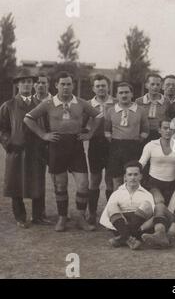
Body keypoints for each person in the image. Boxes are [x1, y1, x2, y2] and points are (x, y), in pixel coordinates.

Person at [24, 71, 103, 232]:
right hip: (57, 146)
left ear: (73, 85)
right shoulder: (48, 103)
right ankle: (62, 217)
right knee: (60, 185)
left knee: (83, 184)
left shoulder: (81, 103)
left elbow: (99, 116)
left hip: (76, 146)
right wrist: (43, 134)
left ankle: (80, 217)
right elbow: (28, 118)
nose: (66, 87)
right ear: (56, 85)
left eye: (68, 84)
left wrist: (89, 132)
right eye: (63, 84)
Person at [0, 69, 49, 227]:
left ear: (33, 84)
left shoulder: (41, 106)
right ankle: (20, 217)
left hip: (36, 151)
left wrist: (44, 145)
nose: (26, 85)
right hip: (17, 151)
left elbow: (46, 127)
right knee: (16, 183)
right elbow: (2, 129)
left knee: (38, 182)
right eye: (23, 82)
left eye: (29, 82)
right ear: (17, 85)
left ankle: (38, 216)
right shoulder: (8, 106)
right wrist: (9, 143)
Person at [99, 161, 170, 250]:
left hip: (140, 228)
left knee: (147, 205)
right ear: (125, 177)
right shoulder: (117, 193)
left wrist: (140, 228)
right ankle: (128, 237)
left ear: (140, 176)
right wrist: (120, 228)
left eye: (136, 174)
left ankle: (124, 238)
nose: (133, 178)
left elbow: (152, 218)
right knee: (111, 206)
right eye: (130, 175)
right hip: (120, 226)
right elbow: (106, 218)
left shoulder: (146, 194)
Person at [104, 82, 149, 191]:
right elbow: (107, 130)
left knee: (133, 178)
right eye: (121, 93)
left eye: (126, 92)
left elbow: (145, 129)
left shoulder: (140, 110)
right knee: (116, 178)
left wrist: (137, 140)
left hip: (133, 147)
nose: (124, 95)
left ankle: (132, 204)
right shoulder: (110, 110)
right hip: (116, 147)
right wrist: (115, 141)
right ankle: (116, 203)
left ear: (132, 94)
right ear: (117, 95)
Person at [86, 74, 116, 225]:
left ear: (108, 87)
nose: (101, 88)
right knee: (95, 180)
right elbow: (82, 123)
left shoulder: (117, 103)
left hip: (112, 145)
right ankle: (92, 213)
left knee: (110, 181)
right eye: (97, 86)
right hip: (95, 145)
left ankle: (110, 214)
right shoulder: (87, 104)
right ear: (93, 88)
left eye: (103, 85)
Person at [139, 119, 175, 205]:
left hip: (172, 184)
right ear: (159, 130)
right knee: (159, 202)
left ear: (174, 130)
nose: (168, 131)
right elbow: (141, 164)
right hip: (154, 184)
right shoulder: (151, 145)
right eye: (165, 128)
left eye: (171, 129)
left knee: (173, 207)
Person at [136, 73, 170, 142]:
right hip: (142, 135)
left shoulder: (166, 102)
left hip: (159, 135)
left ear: (161, 86)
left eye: (158, 84)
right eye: (152, 84)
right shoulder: (139, 101)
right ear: (146, 85)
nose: (155, 87)